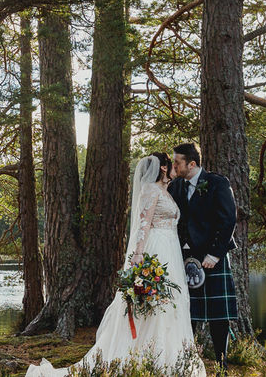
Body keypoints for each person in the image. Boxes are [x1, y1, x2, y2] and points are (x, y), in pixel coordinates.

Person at [26, 153, 205, 376]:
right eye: (171, 165)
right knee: (154, 304)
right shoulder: (150, 189)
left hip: (172, 252)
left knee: (171, 303)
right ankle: (147, 357)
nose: (174, 169)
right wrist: (139, 254)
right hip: (157, 249)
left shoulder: (166, 191)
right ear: (162, 168)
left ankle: (169, 359)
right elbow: (144, 224)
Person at [169, 142, 238, 373]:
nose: (174, 165)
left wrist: (215, 254)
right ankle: (188, 364)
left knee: (218, 318)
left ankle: (221, 366)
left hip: (211, 258)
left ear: (192, 163)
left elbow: (228, 220)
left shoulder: (218, 183)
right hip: (185, 260)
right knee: (189, 314)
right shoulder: (175, 186)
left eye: (177, 161)